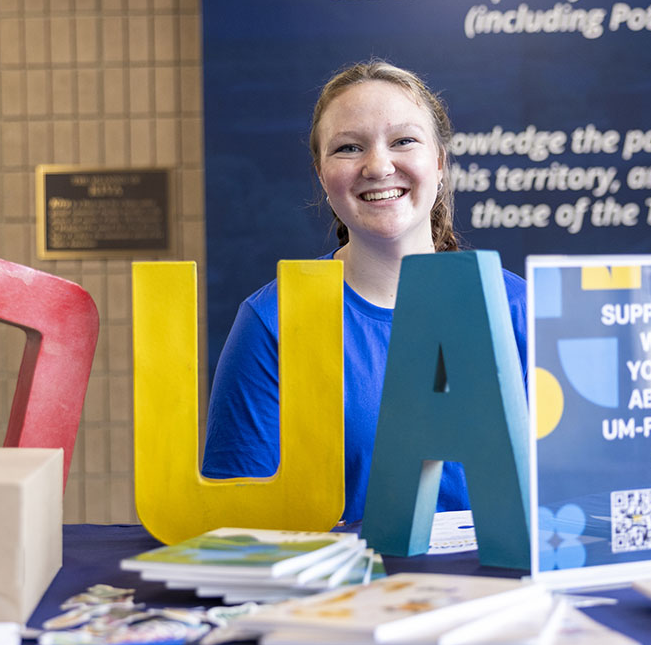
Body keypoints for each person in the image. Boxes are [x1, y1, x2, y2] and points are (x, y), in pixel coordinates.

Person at [202, 59, 527, 523]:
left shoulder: (516, 309)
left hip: (499, 592)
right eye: (349, 147)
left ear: (438, 162)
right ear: (321, 173)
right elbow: (237, 524)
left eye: (403, 141)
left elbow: (568, 491)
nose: (378, 165)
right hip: (339, 594)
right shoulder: (272, 321)